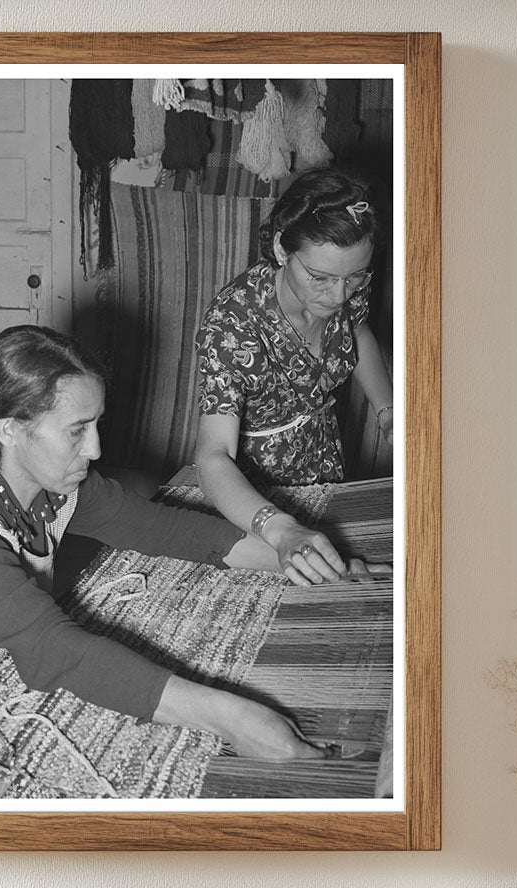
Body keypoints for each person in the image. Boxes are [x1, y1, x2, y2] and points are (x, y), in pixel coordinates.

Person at [0, 325, 333, 795]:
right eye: (76, 431)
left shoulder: (46, 482)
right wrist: (233, 718)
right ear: (11, 430)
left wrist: (296, 555)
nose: (96, 449)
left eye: (96, 424)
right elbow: (52, 651)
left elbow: (165, 529)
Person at [194, 168, 394, 588]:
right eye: (319, 278)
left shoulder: (345, 280)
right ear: (282, 249)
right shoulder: (232, 326)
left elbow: (356, 329)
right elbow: (213, 456)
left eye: (354, 277)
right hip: (255, 495)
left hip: (326, 463)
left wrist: (387, 410)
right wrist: (277, 527)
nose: (338, 295)